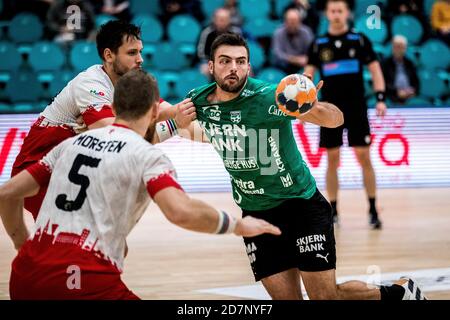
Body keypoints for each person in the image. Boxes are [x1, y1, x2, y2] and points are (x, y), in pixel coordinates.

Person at [180, 33, 425, 300]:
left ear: (249, 66)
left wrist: (312, 106)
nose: (233, 68)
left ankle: (398, 293)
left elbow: (336, 119)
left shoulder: (272, 97)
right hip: (255, 214)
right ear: (211, 66)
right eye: (225, 61)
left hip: (301, 206)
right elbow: (164, 124)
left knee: (325, 297)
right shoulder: (198, 101)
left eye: (240, 61)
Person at [0, 69, 281, 300]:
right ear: (155, 110)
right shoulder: (148, 157)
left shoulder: (69, 145)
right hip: (85, 279)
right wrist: (237, 225)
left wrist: (21, 241)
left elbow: (7, 193)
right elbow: (181, 212)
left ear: (114, 106)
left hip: (25, 276)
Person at [11, 20, 195, 221]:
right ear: (109, 55)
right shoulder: (90, 83)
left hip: (75, 163)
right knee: (75, 242)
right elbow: (117, 141)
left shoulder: (128, 83)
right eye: (132, 53)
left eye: (140, 51)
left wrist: (208, 116)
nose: (141, 59)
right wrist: (176, 126)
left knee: (106, 244)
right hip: (40, 165)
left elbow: (168, 111)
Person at [305, 0, 387, 229]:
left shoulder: (359, 40)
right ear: (327, 13)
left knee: (364, 157)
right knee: (332, 159)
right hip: (329, 110)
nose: (337, 14)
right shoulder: (318, 44)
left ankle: (372, 209)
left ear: (347, 13)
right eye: (332, 10)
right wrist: (304, 98)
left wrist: (380, 98)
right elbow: (307, 75)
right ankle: (333, 211)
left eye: (340, 10)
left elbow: (375, 70)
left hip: (357, 107)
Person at [197, 7, 242, 78]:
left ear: (229, 20)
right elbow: (201, 52)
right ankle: (208, 89)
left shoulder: (236, 32)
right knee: (204, 69)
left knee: (247, 69)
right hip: (211, 61)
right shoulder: (207, 32)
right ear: (214, 20)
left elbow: (241, 50)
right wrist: (215, 63)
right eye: (220, 19)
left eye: (225, 19)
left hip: (232, 61)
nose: (222, 22)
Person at [271, 8, 314, 74]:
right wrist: (295, 60)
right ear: (285, 21)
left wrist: (306, 58)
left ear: (300, 21)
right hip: (283, 67)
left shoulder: (306, 32)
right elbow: (277, 54)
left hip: (302, 67)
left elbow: (312, 50)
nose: (292, 24)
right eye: (290, 21)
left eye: (295, 21)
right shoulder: (278, 33)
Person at [382, 35, 420, 104]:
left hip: (409, 96)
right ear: (392, 47)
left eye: (401, 47)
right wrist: (397, 92)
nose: (399, 50)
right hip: (391, 96)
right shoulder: (385, 63)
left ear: (405, 48)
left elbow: (416, 83)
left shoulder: (410, 63)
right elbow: (383, 84)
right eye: (397, 46)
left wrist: (412, 91)